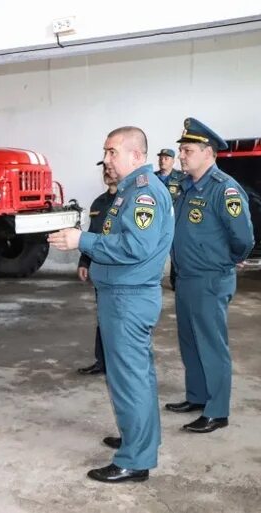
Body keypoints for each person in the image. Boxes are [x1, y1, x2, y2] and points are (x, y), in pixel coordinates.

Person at [48, 127, 174, 484]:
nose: (106, 158)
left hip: (128, 298)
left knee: (129, 379)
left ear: (136, 155)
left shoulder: (144, 193)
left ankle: (134, 460)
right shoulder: (131, 191)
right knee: (138, 376)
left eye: (112, 151)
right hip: (124, 295)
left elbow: (135, 247)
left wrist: (81, 240)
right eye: (105, 151)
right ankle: (141, 438)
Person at [164, 118, 254, 434]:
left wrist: (230, 260)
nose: (181, 156)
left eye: (187, 150)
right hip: (187, 277)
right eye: (181, 150)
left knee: (212, 344)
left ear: (208, 152)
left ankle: (217, 411)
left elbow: (244, 237)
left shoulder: (223, 188)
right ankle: (198, 397)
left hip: (210, 279)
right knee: (190, 341)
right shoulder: (188, 187)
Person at [77, 161, 117, 376]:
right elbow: (91, 235)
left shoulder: (128, 202)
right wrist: (84, 262)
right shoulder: (98, 203)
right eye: (105, 170)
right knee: (102, 316)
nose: (108, 171)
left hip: (119, 270)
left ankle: (117, 363)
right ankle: (101, 361)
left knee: (119, 319)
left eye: (111, 167)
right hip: (100, 270)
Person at [155, 148, 185, 290]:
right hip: (155, 222)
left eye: (166, 158)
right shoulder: (152, 177)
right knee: (154, 252)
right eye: (161, 158)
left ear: (173, 161)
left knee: (175, 253)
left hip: (174, 222)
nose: (162, 160)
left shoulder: (181, 178)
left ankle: (176, 282)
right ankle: (153, 279)